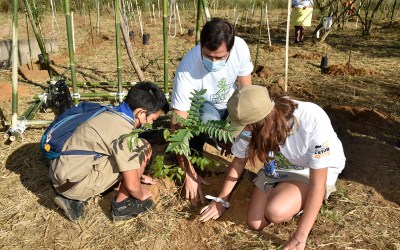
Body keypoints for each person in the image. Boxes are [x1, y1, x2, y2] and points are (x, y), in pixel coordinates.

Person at [199, 85, 346, 250]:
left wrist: (300, 237)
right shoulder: (253, 124)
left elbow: (318, 183)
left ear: (260, 123)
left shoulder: (312, 119)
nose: (243, 131)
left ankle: (300, 201)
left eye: (245, 127)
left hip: (309, 170)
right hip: (276, 166)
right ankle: (285, 190)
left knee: (275, 211)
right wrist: (221, 200)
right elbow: (239, 161)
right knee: (255, 223)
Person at [49, 82, 169, 221]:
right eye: (152, 119)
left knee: (131, 152)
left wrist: (139, 176)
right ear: (141, 113)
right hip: (73, 185)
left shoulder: (111, 112)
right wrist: (141, 193)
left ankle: (73, 196)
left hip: (61, 173)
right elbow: (131, 185)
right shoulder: (122, 130)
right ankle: (122, 206)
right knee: (142, 147)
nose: (152, 124)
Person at [170, 17, 254, 205]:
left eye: (219, 57)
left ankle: (224, 141)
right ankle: (202, 150)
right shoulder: (187, 69)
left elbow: (246, 94)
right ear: (201, 45)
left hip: (231, 105)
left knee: (250, 123)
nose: (213, 62)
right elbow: (177, 126)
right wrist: (189, 173)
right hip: (204, 109)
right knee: (206, 117)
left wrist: (239, 131)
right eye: (208, 56)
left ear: (230, 50)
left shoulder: (239, 47)